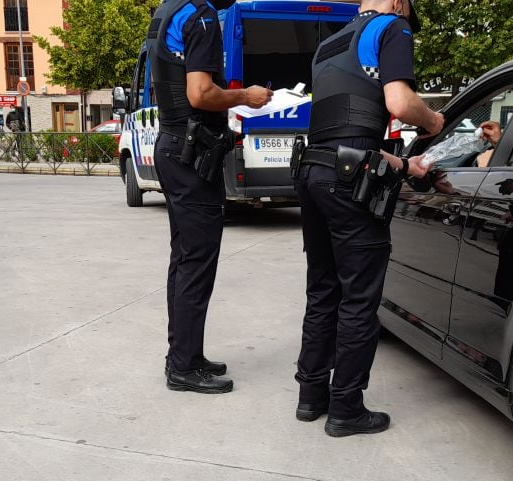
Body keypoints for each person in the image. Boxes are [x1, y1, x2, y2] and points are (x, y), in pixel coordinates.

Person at [292, 0, 443, 437]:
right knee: (358, 299)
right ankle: (346, 410)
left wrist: (403, 166)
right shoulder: (392, 27)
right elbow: (398, 102)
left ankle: (310, 396)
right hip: (349, 183)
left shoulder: (330, 43)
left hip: (313, 172)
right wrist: (431, 120)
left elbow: (345, 134)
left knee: (322, 291)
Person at [149, 0, 272, 394]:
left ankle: (185, 355)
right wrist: (244, 97)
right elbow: (200, 94)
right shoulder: (200, 16)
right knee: (196, 263)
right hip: (191, 154)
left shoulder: (169, 10)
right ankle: (183, 367)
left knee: (184, 258)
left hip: (173, 147)